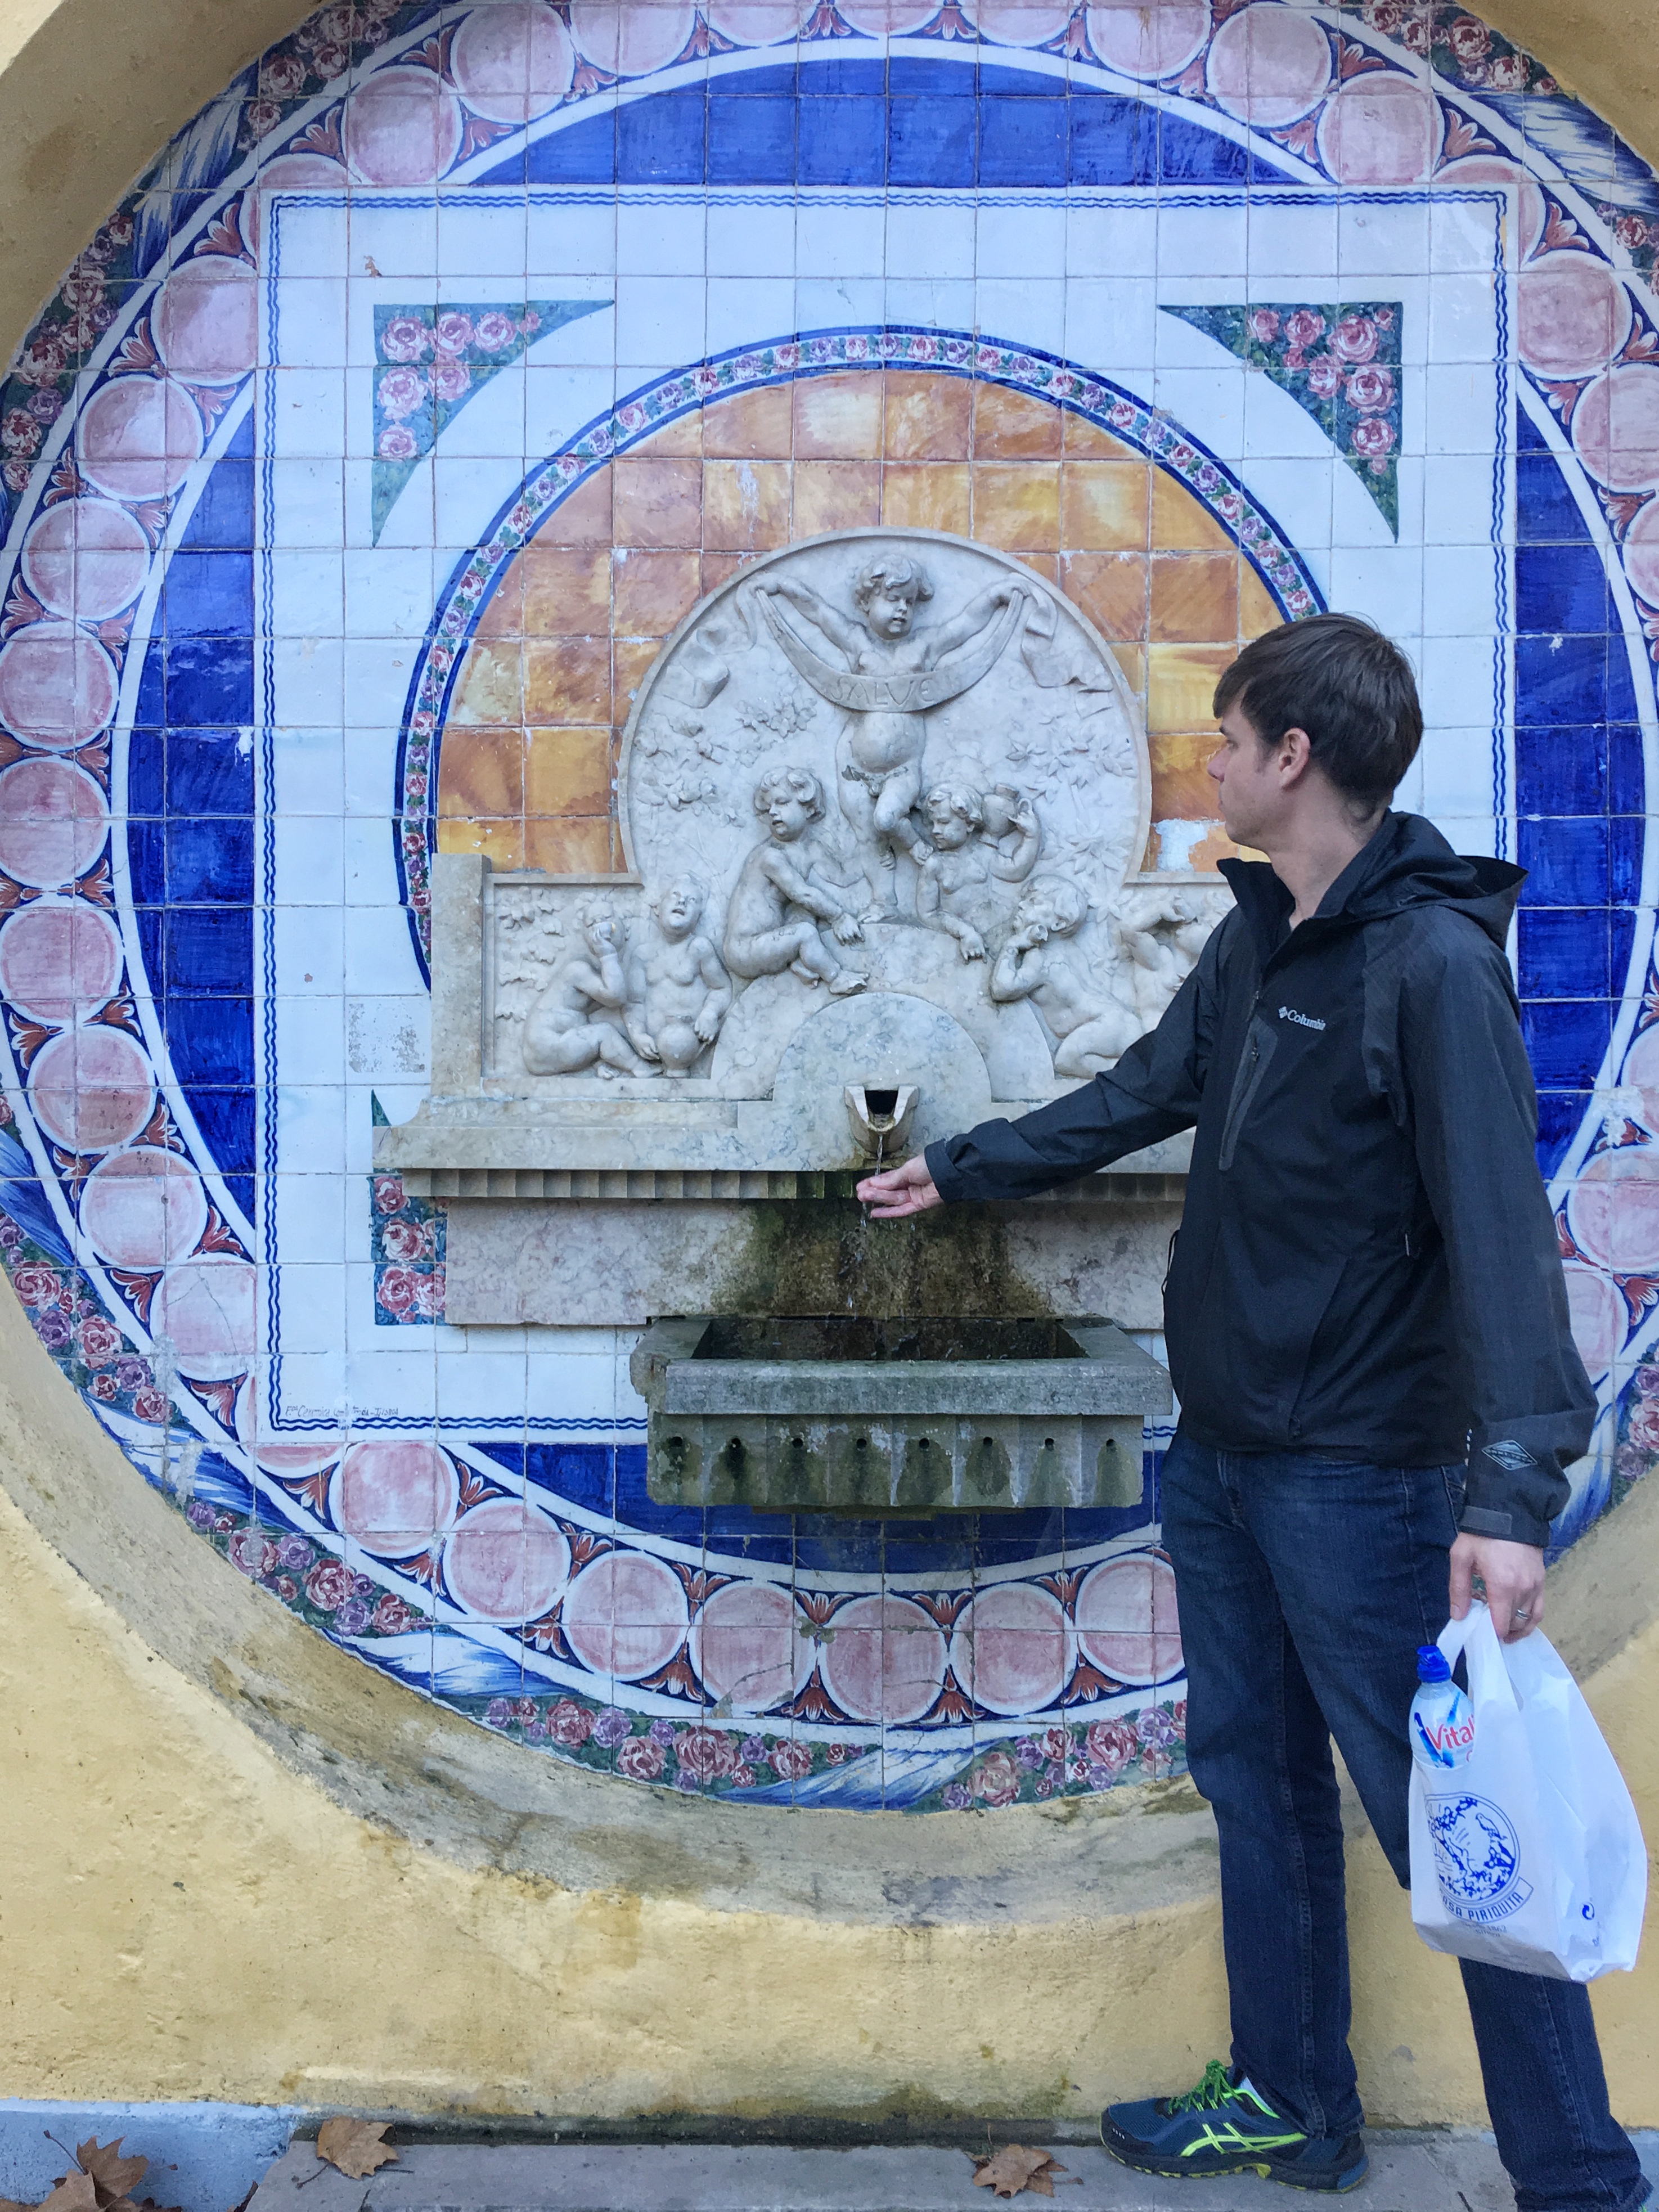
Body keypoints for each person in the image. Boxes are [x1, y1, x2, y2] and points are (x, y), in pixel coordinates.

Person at [856, 614, 1648, 2209]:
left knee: (1453, 1822)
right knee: (1255, 1778)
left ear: (1295, 758)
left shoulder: (1428, 966)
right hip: (1226, 1457)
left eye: (1227, 738)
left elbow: (1503, 1235)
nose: (1208, 762)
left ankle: (1577, 2173)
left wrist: (1509, 1493)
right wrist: (965, 1165)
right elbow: (1147, 1089)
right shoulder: (1262, 939)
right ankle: (1294, 2100)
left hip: (1363, 1480)